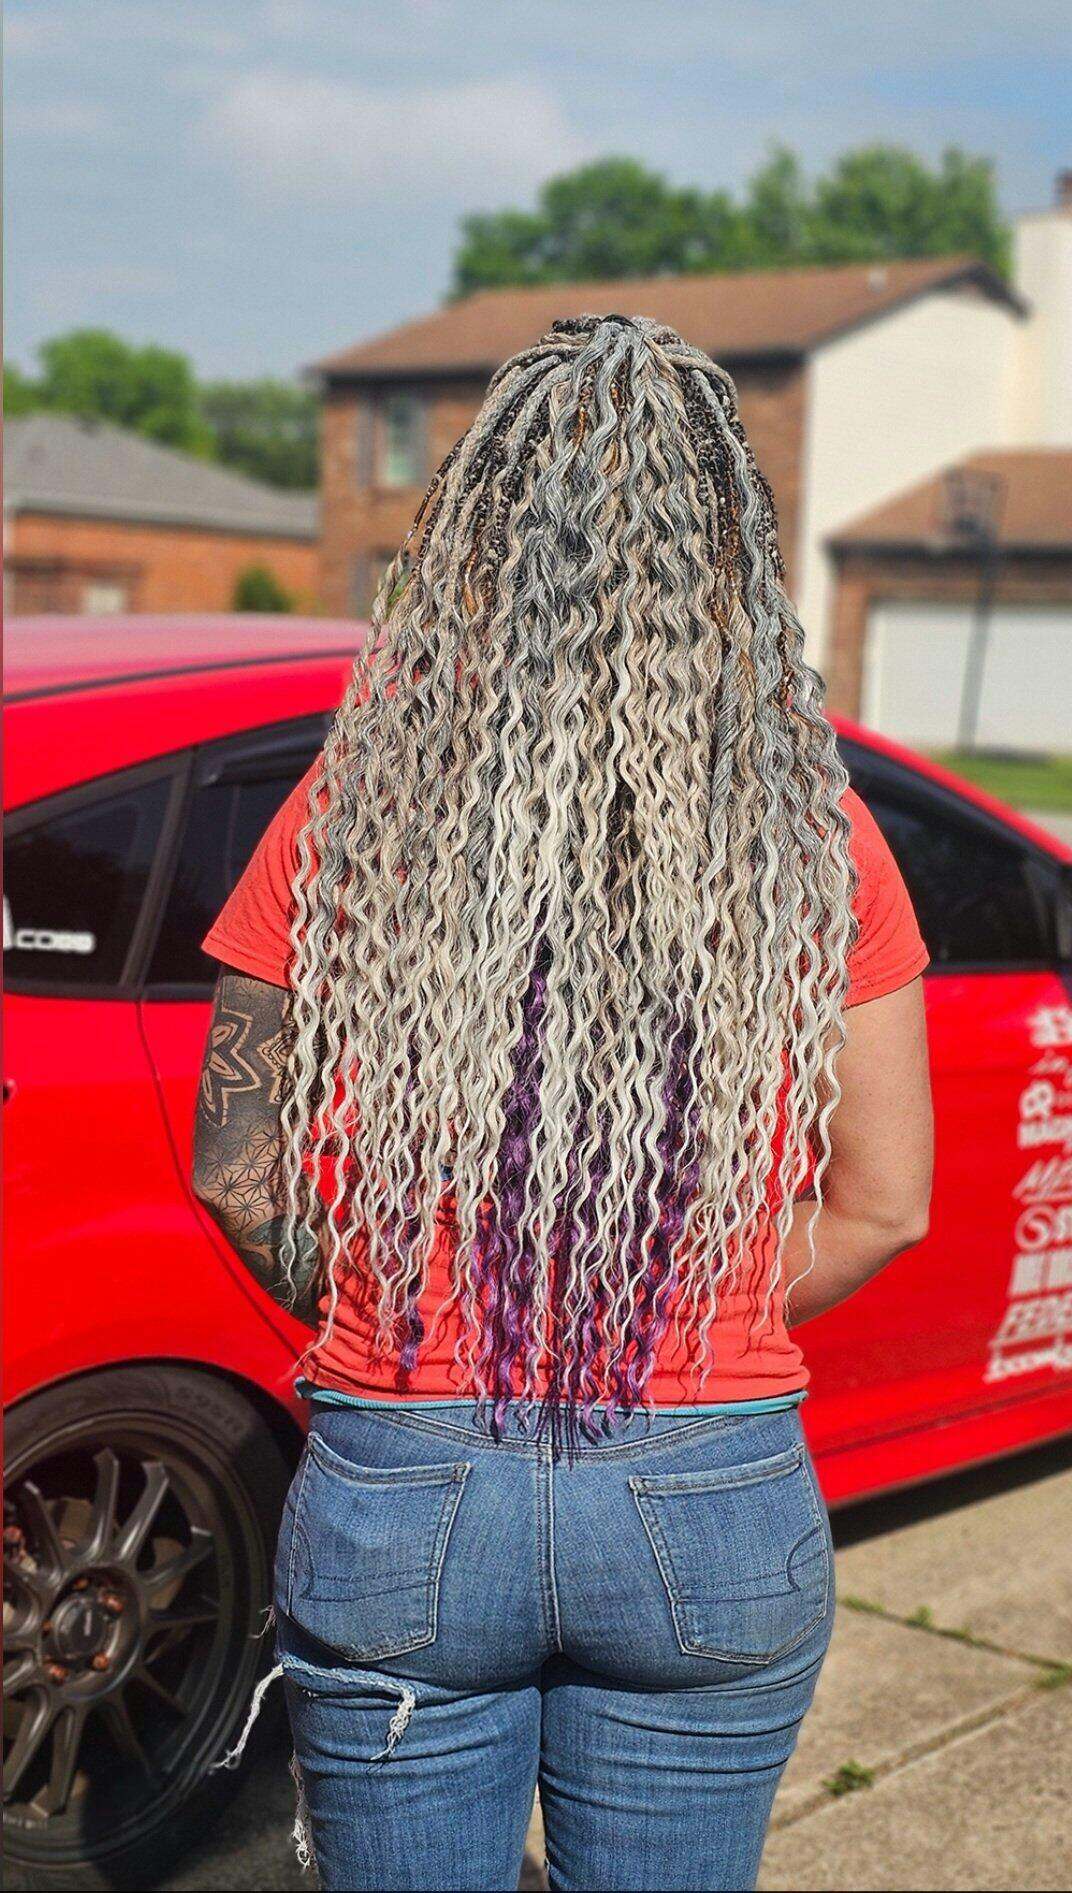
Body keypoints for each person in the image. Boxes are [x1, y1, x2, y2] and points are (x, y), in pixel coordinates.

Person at [193, 314, 933, 1893]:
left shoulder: (358, 803)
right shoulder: (818, 833)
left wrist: (384, 1303)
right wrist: (685, 1302)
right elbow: (887, 1201)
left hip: (405, 1477)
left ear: (486, 529)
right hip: (707, 1490)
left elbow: (233, 1161)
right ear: (728, 541)